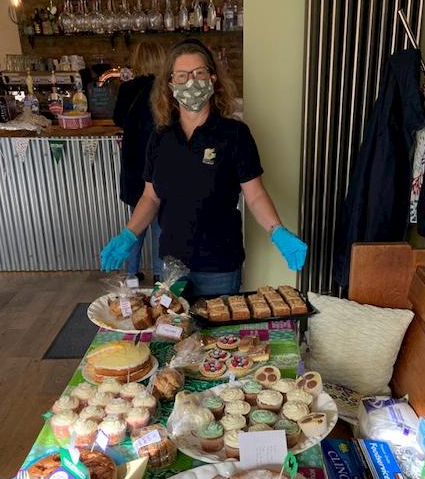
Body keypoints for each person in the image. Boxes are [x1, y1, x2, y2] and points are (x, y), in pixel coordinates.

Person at [101, 38, 307, 296]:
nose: (191, 82)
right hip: (172, 267)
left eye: (199, 73)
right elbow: (150, 197)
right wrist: (129, 234)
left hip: (219, 268)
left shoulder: (234, 135)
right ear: (170, 84)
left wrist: (278, 232)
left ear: (212, 79)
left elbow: (255, 195)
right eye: (182, 75)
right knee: (175, 334)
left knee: (221, 338)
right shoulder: (160, 137)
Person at [112, 40, 166, 280]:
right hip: (160, 164)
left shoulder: (127, 89)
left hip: (134, 165)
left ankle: (131, 274)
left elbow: (118, 119)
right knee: (159, 225)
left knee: (136, 223)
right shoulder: (166, 90)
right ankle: (158, 274)